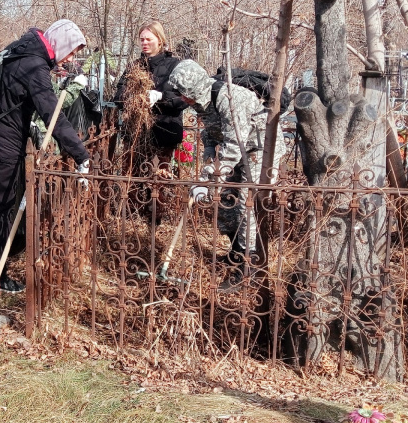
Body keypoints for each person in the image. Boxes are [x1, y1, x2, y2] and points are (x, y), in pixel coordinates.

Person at [0, 19, 91, 292]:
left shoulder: (19, 50)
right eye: (71, 51)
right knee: (2, 205)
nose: (71, 58)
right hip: (4, 143)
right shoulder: (35, 66)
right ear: (60, 42)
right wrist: (80, 154)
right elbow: (53, 116)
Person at [167, 59, 286, 279]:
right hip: (238, 151)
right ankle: (236, 252)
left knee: (246, 204)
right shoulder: (202, 101)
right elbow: (210, 135)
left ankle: (249, 266)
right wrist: (208, 163)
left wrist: (210, 177)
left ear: (195, 87)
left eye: (184, 93)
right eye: (180, 94)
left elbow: (233, 145)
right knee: (226, 201)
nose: (182, 98)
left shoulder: (230, 98)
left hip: (260, 149)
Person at [113, 21, 187, 166]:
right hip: (135, 134)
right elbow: (118, 96)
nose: (144, 43)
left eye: (149, 39)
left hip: (164, 133)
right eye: (142, 39)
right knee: (133, 180)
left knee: (157, 182)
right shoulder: (134, 66)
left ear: (160, 40)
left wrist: (160, 97)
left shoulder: (175, 65)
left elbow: (184, 99)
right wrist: (134, 98)